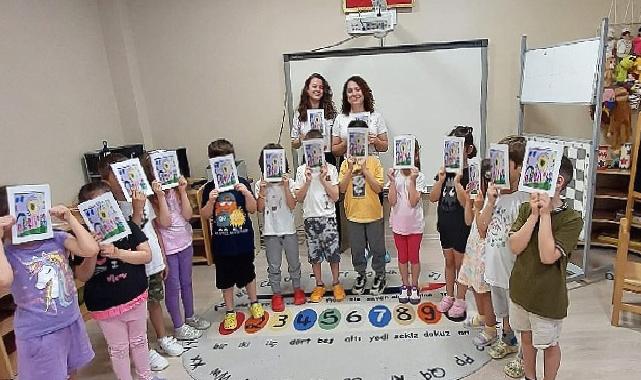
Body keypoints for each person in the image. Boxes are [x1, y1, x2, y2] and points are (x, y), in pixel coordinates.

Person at [0, 187, 98, 380]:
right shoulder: (9, 253)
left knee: (72, 371)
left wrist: (69, 217)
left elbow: (90, 249)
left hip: (70, 322)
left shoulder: (55, 237)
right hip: (40, 334)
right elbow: (4, 279)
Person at [98, 154, 183, 371]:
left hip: (152, 260)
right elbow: (129, 236)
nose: (123, 178)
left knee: (155, 300)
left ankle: (162, 338)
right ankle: (143, 349)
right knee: (137, 311)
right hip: (132, 265)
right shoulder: (112, 207)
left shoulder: (143, 197)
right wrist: (136, 209)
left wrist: (162, 256)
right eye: (116, 175)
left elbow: (153, 229)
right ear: (106, 181)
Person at [74, 182, 162, 380]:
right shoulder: (83, 239)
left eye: (106, 203)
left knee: (140, 340)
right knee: (119, 348)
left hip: (135, 295)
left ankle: (145, 376)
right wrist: (91, 253)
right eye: (93, 207)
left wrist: (118, 252)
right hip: (105, 305)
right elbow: (82, 276)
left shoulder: (129, 227)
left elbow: (145, 255)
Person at [508, 156, 583, 380]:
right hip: (521, 290)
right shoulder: (524, 209)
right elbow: (514, 246)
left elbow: (547, 255)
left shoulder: (572, 219)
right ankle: (530, 377)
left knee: (549, 345)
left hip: (547, 298)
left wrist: (545, 214)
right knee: (527, 339)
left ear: (558, 181)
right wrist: (533, 215)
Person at [140, 153, 211, 341]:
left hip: (185, 243)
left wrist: (181, 191)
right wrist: (161, 196)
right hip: (169, 249)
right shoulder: (151, 198)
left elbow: (188, 215)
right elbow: (164, 221)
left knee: (186, 282)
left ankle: (190, 316)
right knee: (173, 287)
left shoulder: (176, 191)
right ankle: (179, 326)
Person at [476, 136, 529, 369]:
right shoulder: (494, 194)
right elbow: (481, 228)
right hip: (495, 268)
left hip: (516, 272)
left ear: (517, 166)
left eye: (503, 162)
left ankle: (524, 355)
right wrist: (489, 201)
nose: (497, 167)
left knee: (520, 314)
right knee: (503, 311)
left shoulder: (525, 199)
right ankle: (506, 338)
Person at [201, 139, 264, 330]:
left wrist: (246, 193)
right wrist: (211, 202)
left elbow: (253, 210)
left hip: (243, 240)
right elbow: (204, 215)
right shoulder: (209, 188)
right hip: (222, 244)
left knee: (248, 272)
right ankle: (230, 311)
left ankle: (254, 302)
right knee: (225, 278)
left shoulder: (242, 183)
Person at [429, 126, 477, 318]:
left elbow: (467, 203)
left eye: (458, 147)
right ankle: (449, 295)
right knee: (448, 262)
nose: (453, 152)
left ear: (468, 149)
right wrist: (441, 180)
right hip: (445, 223)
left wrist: (458, 184)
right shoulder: (444, 171)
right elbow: (433, 198)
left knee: (460, 265)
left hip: (461, 226)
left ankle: (460, 298)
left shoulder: (472, 173)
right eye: (451, 147)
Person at [295, 130, 344, 302]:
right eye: (310, 148)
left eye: (318, 147)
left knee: (333, 254)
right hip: (310, 218)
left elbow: (336, 196)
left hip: (328, 217)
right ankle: (319, 284)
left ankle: (336, 282)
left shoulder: (330, 169)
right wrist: (308, 181)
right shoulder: (301, 171)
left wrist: (324, 179)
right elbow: (299, 198)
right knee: (314, 255)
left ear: (323, 148)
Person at [339, 119, 386, 295]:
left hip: (373, 214)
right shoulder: (345, 164)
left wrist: (365, 170)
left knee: (377, 248)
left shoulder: (374, 162)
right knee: (357, 249)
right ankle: (360, 274)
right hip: (353, 215)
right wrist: (351, 169)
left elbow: (378, 187)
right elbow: (341, 189)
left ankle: (380, 274)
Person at [256, 143, 305, 312]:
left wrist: (285, 187)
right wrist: (262, 190)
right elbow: (260, 208)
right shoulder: (260, 184)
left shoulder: (289, 182)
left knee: (294, 262)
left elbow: (292, 205)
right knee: (274, 265)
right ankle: (276, 293)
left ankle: (297, 288)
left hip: (289, 230)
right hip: (270, 232)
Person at [458, 159, 497, 341]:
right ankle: (482, 317)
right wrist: (469, 201)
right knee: (473, 284)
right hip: (473, 245)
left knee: (484, 291)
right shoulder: (479, 196)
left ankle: (491, 329)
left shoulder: (494, 199)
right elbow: (468, 221)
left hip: (484, 248)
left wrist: (481, 206)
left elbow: (484, 230)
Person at [387, 139, 425, 304]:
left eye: (409, 152)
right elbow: (392, 200)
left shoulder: (419, 176)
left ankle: (414, 286)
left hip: (415, 226)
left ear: (415, 155)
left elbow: (413, 201)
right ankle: (405, 285)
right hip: (398, 225)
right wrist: (393, 181)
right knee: (402, 257)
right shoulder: (395, 175)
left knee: (414, 257)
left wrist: (412, 180)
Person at [332, 76, 388, 157]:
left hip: (372, 165)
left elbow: (385, 147)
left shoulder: (376, 116)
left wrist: (376, 141)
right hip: (349, 165)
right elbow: (335, 152)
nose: (354, 94)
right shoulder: (340, 118)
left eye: (358, 90)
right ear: (346, 96)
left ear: (364, 92)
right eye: (350, 91)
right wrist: (346, 143)